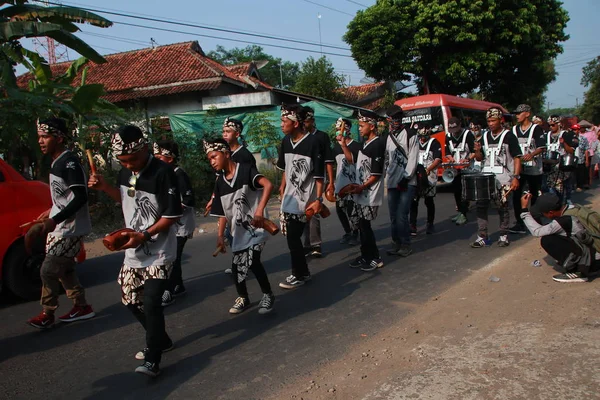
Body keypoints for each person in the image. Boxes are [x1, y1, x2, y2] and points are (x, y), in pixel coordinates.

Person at [88, 125, 182, 377]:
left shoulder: (163, 173)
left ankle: (153, 357)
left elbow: (172, 214)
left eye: (133, 159)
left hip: (160, 250)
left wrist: (144, 235)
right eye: (123, 161)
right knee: (130, 301)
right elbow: (126, 199)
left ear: (144, 148)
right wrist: (105, 187)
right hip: (133, 252)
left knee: (151, 302)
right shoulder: (124, 173)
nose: (129, 164)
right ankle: (160, 338)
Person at [27, 117, 95, 329]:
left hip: (70, 229)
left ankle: (48, 312)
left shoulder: (69, 162)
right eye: (39, 137)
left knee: (47, 270)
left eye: (45, 136)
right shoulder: (57, 161)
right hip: (61, 227)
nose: (41, 141)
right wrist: (51, 211)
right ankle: (81, 306)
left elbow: (81, 196)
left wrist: (53, 220)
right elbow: (64, 197)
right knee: (64, 269)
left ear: (58, 138)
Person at [205, 138, 276, 314]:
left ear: (226, 154)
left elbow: (268, 184)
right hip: (237, 232)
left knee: (252, 261)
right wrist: (220, 235)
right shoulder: (220, 182)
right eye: (209, 159)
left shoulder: (245, 171)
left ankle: (268, 294)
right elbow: (222, 212)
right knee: (237, 267)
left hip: (256, 228)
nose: (212, 161)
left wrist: (259, 211)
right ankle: (243, 297)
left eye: (214, 156)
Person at [277, 104, 324, 289]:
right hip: (289, 198)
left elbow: (319, 176)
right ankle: (303, 272)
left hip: (305, 200)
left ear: (296, 123)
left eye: (284, 121)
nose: (281, 124)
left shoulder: (313, 143)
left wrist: (319, 200)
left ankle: (298, 274)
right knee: (292, 239)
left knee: (293, 238)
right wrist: (282, 187)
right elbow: (285, 169)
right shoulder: (286, 142)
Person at [207, 117, 257, 275]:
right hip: (227, 201)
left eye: (228, 131)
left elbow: (252, 182)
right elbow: (219, 180)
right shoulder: (220, 154)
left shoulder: (244, 155)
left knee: (240, 232)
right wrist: (214, 198)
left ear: (237, 133)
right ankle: (242, 262)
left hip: (243, 203)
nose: (225, 134)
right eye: (223, 131)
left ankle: (245, 264)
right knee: (232, 232)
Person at [471, 107, 522, 248]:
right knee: (481, 206)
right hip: (486, 176)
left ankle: (503, 234)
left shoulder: (509, 136)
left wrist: (516, 177)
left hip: (504, 176)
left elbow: (517, 158)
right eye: (488, 121)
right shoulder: (484, 137)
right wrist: (476, 151)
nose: (491, 123)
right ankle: (482, 236)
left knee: (503, 206)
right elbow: (481, 158)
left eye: (493, 120)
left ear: (501, 120)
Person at [520, 192, 600, 282]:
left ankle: (580, 272)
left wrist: (524, 210)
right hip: (596, 252)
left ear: (550, 212)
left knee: (547, 240)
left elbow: (537, 231)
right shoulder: (574, 208)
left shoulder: (564, 220)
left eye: (543, 214)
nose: (543, 216)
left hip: (594, 260)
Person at [152, 140, 195, 306]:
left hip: (181, 225)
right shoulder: (163, 174)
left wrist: (172, 212)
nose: (155, 160)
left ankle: (168, 291)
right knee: (173, 257)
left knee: (171, 259)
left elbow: (189, 198)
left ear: (169, 159)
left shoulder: (178, 174)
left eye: (159, 157)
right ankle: (179, 285)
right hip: (169, 225)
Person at [348, 109, 386, 271]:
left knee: (365, 226)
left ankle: (374, 257)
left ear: (371, 126)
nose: (360, 128)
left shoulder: (377, 144)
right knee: (361, 225)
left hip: (369, 193)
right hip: (361, 192)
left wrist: (362, 187)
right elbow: (354, 162)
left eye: (362, 126)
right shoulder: (365, 143)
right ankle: (365, 254)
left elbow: (376, 174)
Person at [384, 105, 419, 257]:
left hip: (407, 182)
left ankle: (406, 244)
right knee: (393, 216)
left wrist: (406, 177)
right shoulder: (387, 137)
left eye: (399, 117)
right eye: (394, 118)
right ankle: (396, 242)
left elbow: (413, 157)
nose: (397, 120)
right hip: (392, 181)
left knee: (401, 215)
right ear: (388, 120)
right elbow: (387, 159)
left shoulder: (411, 134)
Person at [508, 104, 547, 235]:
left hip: (534, 168)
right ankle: (520, 222)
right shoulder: (513, 130)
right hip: (520, 168)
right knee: (516, 194)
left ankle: (536, 219)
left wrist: (532, 154)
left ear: (527, 113)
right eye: (516, 113)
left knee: (535, 194)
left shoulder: (536, 129)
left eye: (519, 113)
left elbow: (542, 147)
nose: (517, 116)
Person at [302, 106, 334, 258]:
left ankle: (316, 244)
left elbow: (328, 161)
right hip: (303, 181)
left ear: (312, 121)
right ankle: (306, 243)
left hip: (317, 178)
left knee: (313, 210)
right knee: (303, 212)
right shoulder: (300, 138)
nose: (304, 124)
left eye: (306, 121)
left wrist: (331, 182)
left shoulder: (321, 137)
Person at [332, 117, 361, 245]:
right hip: (340, 183)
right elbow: (333, 165)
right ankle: (347, 231)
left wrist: (344, 145)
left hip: (353, 183)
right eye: (337, 129)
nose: (338, 132)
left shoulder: (356, 146)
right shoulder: (335, 148)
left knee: (352, 210)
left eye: (340, 129)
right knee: (340, 209)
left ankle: (356, 232)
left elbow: (351, 160)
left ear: (347, 130)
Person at [410, 125, 442, 235]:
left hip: (429, 174)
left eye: (425, 137)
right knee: (414, 201)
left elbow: (438, 159)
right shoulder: (415, 142)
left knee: (429, 200)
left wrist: (428, 169)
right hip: (416, 174)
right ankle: (412, 225)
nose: (422, 139)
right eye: (421, 137)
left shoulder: (434, 143)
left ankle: (430, 223)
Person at [445, 117, 476, 226]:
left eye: (456, 130)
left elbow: (474, 151)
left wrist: (467, 159)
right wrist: (450, 158)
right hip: (455, 168)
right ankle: (460, 212)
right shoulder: (448, 136)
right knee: (456, 190)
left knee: (464, 191)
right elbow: (447, 152)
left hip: (467, 168)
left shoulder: (468, 135)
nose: (455, 133)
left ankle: (464, 213)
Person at [544, 115, 579, 203]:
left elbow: (571, 151)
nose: (551, 127)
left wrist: (564, 143)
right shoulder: (546, 135)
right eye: (549, 125)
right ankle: (555, 203)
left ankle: (568, 199)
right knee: (551, 187)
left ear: (558, 124)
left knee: (565, 185)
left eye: (553, 125)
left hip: (563, 165)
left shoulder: (567, 134)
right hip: (550, 166)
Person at [572, 124, 590, 191]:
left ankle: (579, 185)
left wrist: (587, 160)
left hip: (580, 158)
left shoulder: (583, 138)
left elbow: (586, 149)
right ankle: (573, 186)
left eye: (576, 129)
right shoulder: (570, 138)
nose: (574, 131)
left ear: (578, 130)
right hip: (572, 159)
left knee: (580, 173)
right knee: (573, 173)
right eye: (573, 129)